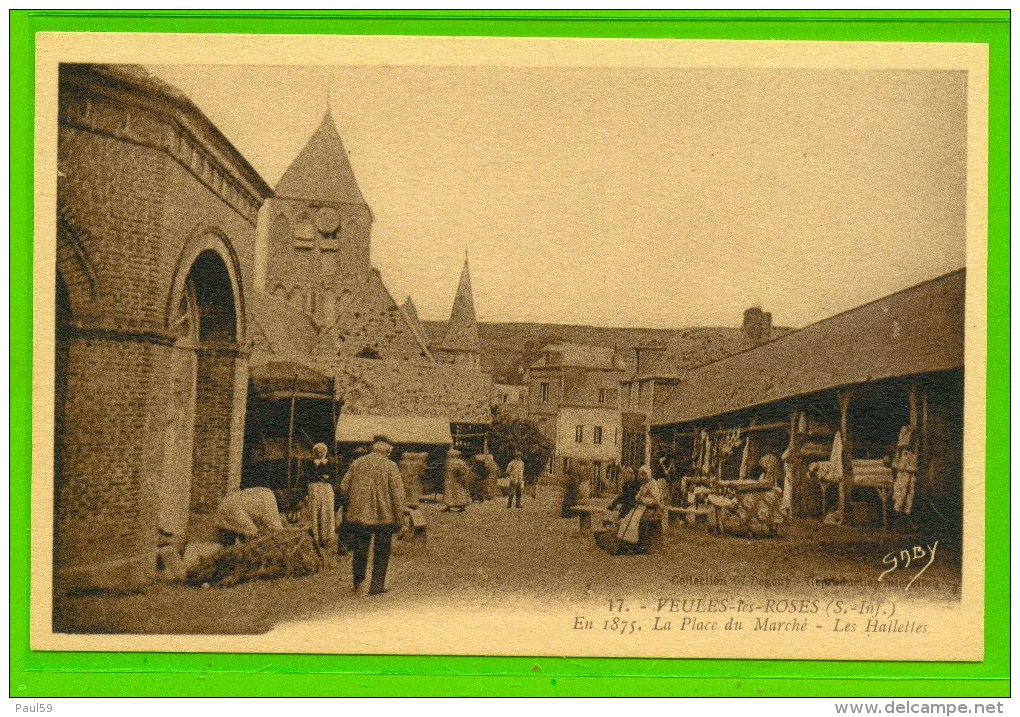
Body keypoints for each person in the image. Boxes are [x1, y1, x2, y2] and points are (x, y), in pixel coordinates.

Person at [339, 435, 408, 595]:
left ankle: (358, 583)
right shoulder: (390, 466)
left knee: (360, 550)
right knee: (382, 550)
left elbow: (343, 487)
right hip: (384, 517)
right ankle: (376, 586)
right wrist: (400, 519)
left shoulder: (357, 463)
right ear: (388, 450)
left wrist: (356, 500)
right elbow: (397, 496)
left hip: (359, 516)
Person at [215, 487, 284, 547]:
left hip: (226, 503)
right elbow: (275, 526)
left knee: (236, 534)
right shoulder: (271, 501)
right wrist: (287, 536)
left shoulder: (266, 492)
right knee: (253, 535)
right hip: (235, 508)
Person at [304, 443, 336, 550]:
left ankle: (325, 538)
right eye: (317, 451)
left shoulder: (330, 462)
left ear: (325, 452)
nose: (319, 453)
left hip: (326, 490)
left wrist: (326, 478)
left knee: (325, 512)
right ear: (314, 453)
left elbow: (332, 476)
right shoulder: (310, 463)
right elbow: (308, 476)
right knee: (314, 512)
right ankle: (315, 537)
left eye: (321, 451)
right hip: (314, 489)